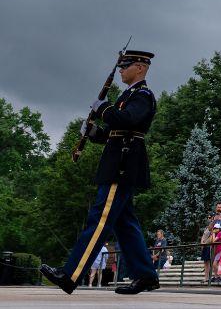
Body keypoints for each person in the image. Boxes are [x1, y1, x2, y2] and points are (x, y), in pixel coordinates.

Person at [41, 49, 160, 296]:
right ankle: (145, 275)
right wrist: (93, 132)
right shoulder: (127, 95)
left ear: (140, 67)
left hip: (123, 164)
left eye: (125, 66)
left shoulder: (143, 95)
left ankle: (70, 274)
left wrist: (103, 108)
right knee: (125, 224)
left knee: (100, 219)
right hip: (118, 161)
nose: (121, 70)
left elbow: (126, 120)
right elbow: (113, 132)